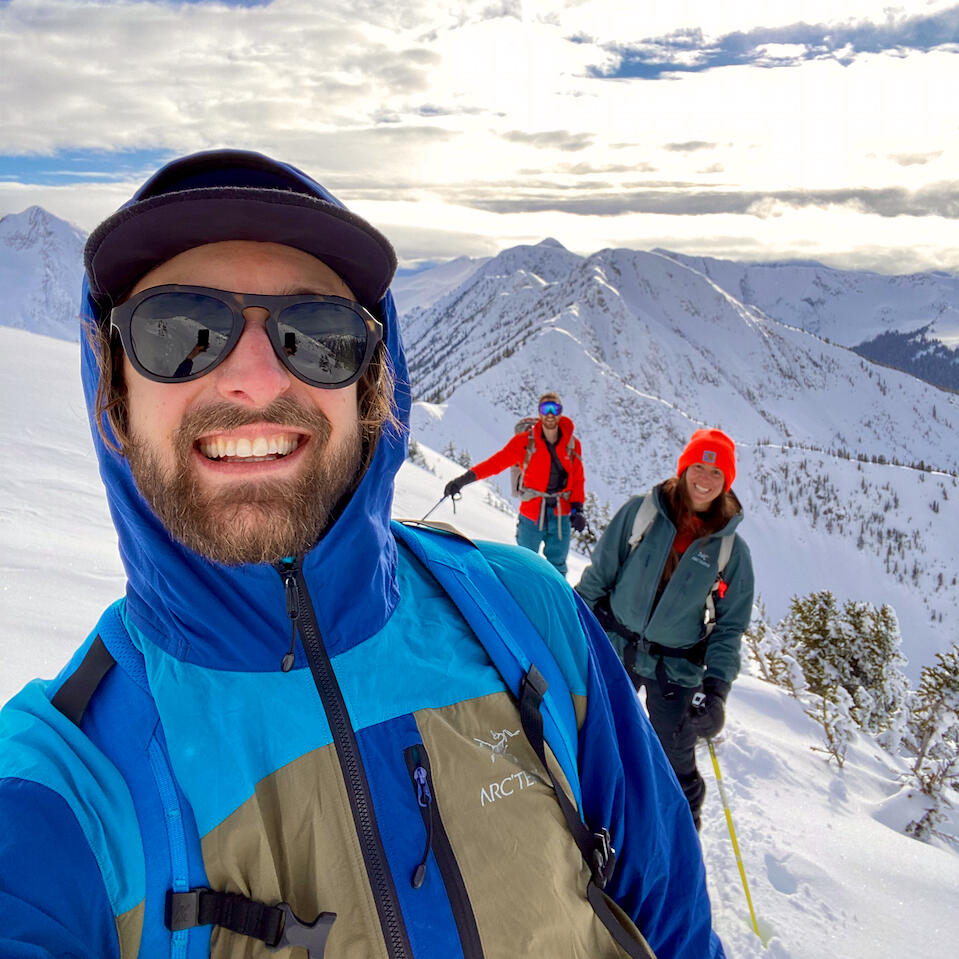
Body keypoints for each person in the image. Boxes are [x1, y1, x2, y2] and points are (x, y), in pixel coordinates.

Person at [0, 150, 725, 958]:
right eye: (177, 331)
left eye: (317, 335)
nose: (251, 375)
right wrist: (474, 479)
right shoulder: (57, 793)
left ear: (372, 383)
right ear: (112, 391)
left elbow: (676, 926)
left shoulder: (527, 613)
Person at [575, 429, 755, 830]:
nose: (705, 479)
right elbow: (600, 574)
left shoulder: (731, 551)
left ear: (727, 482)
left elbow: (729, 628)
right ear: (684, 467)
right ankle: (588, 814)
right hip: (616, 646)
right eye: (698, 467)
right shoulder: (643, 514)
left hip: (676, 668)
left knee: (674, 754)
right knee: (596, 731)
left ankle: (681, 833)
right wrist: (571, 623)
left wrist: (716, 692)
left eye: (716, 472)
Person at [443, 392, 586, 575]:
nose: (550, 413)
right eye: (545, 409)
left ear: (560, 412)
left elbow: (578, 478)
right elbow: (495, 464)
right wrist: (462, 481)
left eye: (555, 409)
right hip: (532, 512)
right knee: (524, 562)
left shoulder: (573, 444)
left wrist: (578, 509)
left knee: (557, 568)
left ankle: (553, 602)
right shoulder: (524, 442)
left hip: (561, 512)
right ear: (539, 413)